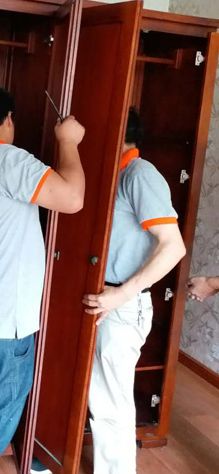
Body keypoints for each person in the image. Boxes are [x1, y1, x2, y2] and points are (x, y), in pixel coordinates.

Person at [0, 86, 86, 474]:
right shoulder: (6, 159)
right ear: (8, 119)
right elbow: (72, 198)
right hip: (0, 327)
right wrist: (68, 142)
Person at [82, 108, 186, 474]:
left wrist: (122, 294)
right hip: (102, 298)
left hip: (122, 304)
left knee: (110, 403)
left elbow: (173, 247)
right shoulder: (112, 175)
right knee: (97, 394)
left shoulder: (140, 175)